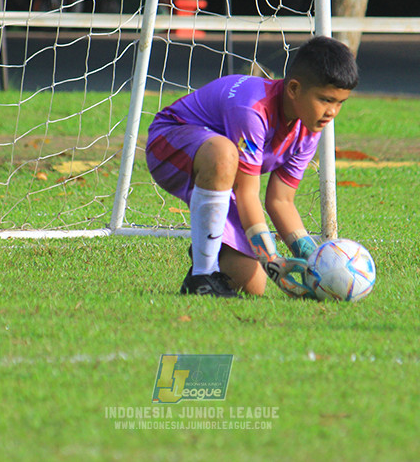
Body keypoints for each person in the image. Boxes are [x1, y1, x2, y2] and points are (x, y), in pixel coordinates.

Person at [145, 36, 359, 298]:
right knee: (223, 154)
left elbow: (281, 201)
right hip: (169, 144)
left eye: (340, 102)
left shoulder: (309, 130)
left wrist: (312, 256)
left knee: (251, 285)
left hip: (225, 175)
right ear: (294, 89)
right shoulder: (253, 108)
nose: (332, 111)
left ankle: (210, 248)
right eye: (325, 100)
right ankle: (203, 275)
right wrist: (270, 256)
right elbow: (246, 192)